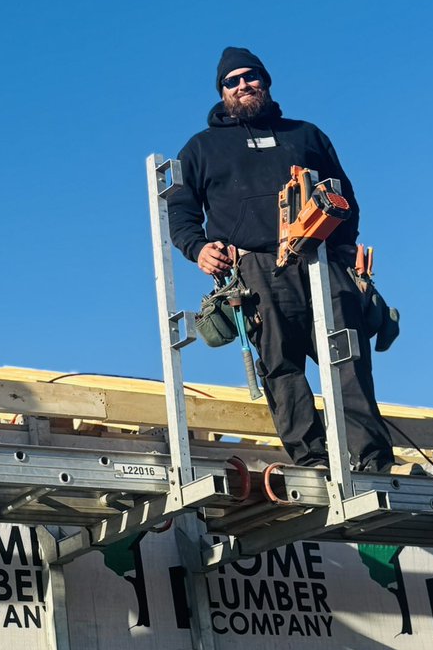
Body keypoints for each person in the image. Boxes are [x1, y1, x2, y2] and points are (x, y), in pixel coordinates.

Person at [169, 47, 394, 472]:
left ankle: (370, 459)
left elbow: (345, 196)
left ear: (266, 81)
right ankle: (313, 460)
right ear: (222, 92)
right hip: (254, 267)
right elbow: (179, 209)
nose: (242, 85)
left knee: (347, 359)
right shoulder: (201, 148)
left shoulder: (305, 135)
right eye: (232, 81)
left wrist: (344, 246)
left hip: (323, 260)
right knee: (280, 362)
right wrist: (197, 248)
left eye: (250, 77)